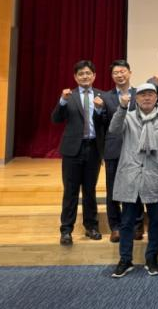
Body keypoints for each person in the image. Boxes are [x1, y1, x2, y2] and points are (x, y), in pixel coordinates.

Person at [109, 83, 158, 278]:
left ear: (156, 98)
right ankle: (125, 259)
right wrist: (122, 107)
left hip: (154, 176)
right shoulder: (127, 117)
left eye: (150, 95)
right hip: (131, 176)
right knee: (127, 222)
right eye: (142, 95)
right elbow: (114, 129)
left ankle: (151, 258)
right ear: (136, 98)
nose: (146, 98)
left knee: (155, 220)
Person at [51, 60, 105, 246]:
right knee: (71, 191)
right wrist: (62, 101)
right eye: (81, 74)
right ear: (75, 77)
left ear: (94, 76)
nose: (85, 76)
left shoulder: (102, 96)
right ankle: (66, 230)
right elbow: (55, 119)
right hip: (72, 150)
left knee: (90, 190)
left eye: (88, 73)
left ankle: (91, 227)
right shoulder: (69, 96)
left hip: (93, 149)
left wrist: (100, 110)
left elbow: (106, 122)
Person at [102, 60, 144, 243]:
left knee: (136, 188)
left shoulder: (140, 94)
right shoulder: (106, 97)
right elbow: (103, 124)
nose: (120, 75)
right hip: (114, 148)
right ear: (112, 76)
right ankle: (116, 227)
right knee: (113, 190)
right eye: (116, 73)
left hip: (136, 148)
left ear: (130, 73)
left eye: (123, 71)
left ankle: (137, 225)